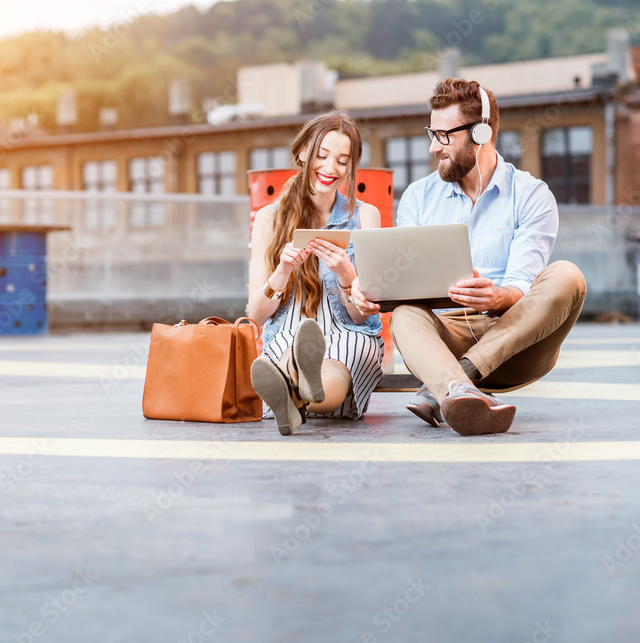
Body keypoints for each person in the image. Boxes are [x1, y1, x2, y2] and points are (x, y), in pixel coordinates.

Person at [349, 78, 587, 436]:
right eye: (432, 133)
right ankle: (459, 390)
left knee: (568, 275)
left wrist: (497, 297)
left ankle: (450, 383)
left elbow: (522, 287)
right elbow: (406, 286)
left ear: (481, 133)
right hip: (444, 338)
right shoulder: (418, 197)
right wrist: (370, 292)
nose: (433, 147)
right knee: (405, 314)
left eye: (443, 136)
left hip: (517, 345)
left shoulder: (532, 195)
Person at [247, 111, 385, 436]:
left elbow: (361, 315)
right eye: (321, 156)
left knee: (341, 360)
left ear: (351, 166)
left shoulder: (366, 215)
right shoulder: (270, 219)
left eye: (342, 160)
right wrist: (282, 271)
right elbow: (256, 314)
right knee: (287, 353)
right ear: (302, 153)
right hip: (290, 330)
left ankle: (292, 394)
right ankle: (295, 384)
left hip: (349, 330)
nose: (330, 169)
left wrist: (348, 275)